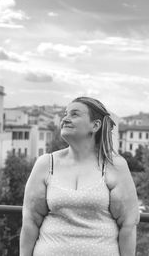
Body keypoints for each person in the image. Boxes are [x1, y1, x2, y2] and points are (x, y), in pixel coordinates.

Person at [20, 96, 140, 256]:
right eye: (65, 114)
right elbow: (30, 222)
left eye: (74, 114)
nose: (65, 119)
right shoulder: (45, 164)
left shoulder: (115, 166)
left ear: (95, 125)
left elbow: (128, 225)